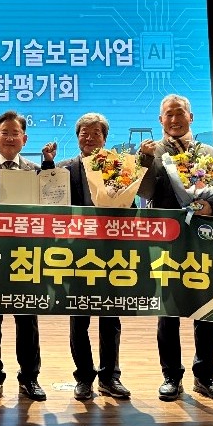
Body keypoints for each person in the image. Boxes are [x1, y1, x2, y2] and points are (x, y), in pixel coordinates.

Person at [137, 94, 213, 402]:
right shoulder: (152, 152)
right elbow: (145, 193)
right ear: (160, 120)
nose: (175, 119)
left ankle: (205, 376)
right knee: (168, 310)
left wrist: (211, 208)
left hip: (203, 240)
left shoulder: (208, 152)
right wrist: (143, 161)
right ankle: (171, 376)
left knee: (207, 309)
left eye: (180, 114)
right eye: (169, 114)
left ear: (191, 117)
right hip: (165, 241)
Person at [0, 110, 56, 403]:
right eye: (4, 132)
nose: (9, 138)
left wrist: (49, 165)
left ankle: (30, 378)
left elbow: (49, 209)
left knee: (27, 320)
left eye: (15, 133)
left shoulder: (35, 170)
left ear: (24, 139)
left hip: (24, 256)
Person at [55, 112, 132, 401]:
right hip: (75, 255)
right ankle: (84, 377)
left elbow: (129, 207)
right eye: (84, 133)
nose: (89, 138)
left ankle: (110, 377)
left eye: (95, 133)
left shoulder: (118, 169)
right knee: (79, 319)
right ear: (77, 137)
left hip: (111, 254)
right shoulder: (64, 169)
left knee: (110, 318)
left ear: (105, 138)